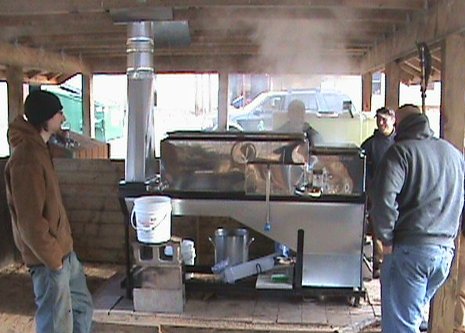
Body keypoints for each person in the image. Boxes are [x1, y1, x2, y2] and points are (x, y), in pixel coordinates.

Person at [4, 90, 93, 333]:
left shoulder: (41, 149)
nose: (63, 118)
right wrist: (53, 260)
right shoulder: (26, 159)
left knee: (82, 308)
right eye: (58, 113)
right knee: (56, 325)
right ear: (45, 119)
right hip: (49, 260)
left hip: (65, 253)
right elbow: (30, 222)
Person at [370, 104, 465, 333]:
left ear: (399, 125)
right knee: (409, 318)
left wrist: (386, 239)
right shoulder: (454, 154)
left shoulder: (401, 152)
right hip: (444, 255)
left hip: (410, 253)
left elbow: (383, 199)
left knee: (400, 327)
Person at [361, 107, 396, 278]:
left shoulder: (401, 143)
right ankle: (379, 263)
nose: (381, 122)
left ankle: (395, 263)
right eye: (378, 119)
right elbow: (359, 167)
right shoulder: (370, 144)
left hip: (399, 196)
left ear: (393, 120)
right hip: (377, 195)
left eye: (384, 119)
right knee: (379, 230)